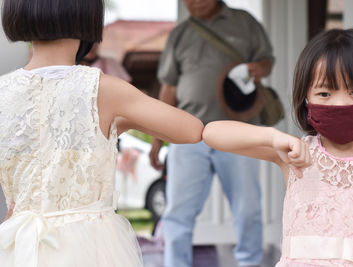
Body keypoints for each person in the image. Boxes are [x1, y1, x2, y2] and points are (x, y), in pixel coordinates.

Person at [0, 0, 203, 266]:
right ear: (86, 14)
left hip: (17, 247)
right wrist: (126, 121)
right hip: (88, 246)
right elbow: (191, 130)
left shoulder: (3, 91)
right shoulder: (101, 89)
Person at [202, 28, 353, 267]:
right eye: (324, 93)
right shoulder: (294, 155)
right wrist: (273, 138)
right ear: (306, 100)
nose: (340, 104)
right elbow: (212, 133)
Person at [149, 0, 274, 266]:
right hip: (187, 134)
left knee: (247, 209)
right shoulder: (180, 33)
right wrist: (157, 140)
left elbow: (267, 61)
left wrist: (257, 69)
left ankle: (250, 263)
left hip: (239, 132)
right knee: (176, 212)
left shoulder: (245, 22)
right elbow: (168, 89)